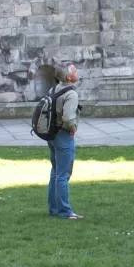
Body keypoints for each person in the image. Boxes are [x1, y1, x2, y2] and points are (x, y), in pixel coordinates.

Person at [47, 64, 82, 220]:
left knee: (55, 172)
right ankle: (65, 211)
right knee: (63, 174)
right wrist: (72, 128)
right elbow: (68, 117)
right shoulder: (71, 94)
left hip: (52, 134)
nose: (77, 72)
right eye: (74, 70)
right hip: (63, 135)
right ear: (69, 77)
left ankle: (54, 208)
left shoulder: (53, 89)